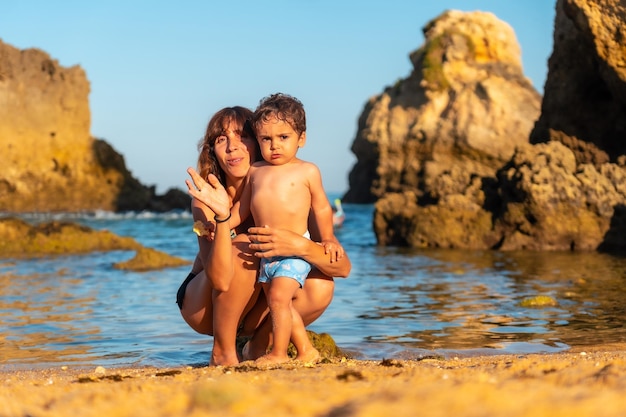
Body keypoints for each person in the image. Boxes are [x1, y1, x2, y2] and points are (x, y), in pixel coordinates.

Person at [180, 106, 351, 366]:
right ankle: (223, 352)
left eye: (242, 136)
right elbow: (219, 279)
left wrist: (299, 245)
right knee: (246, 245)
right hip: (204, 307)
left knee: (321, 286)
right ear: (212, 149)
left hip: (258, 304)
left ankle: (257, 346)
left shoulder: (290, 191)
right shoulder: (207, 200)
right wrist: (223, 218)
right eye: (221, 139)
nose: (232, 147)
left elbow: (342, 268)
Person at [227, 93, 344, 365]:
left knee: (279, 298)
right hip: (267, 255)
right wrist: (222, 224)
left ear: (301, 138)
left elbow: (323, 208)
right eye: (266, 139)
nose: (274, 145)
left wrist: (328, 238)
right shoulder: (255, 171)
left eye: (283, 137)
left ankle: (278, 354)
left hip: (294, 251)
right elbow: (242, 210)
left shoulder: (307, 171)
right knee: (280, 305)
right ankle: (305, 351)